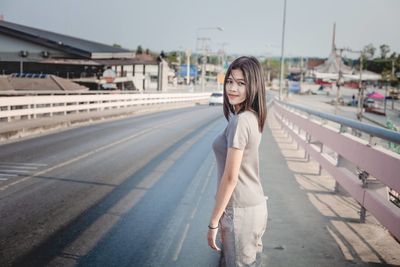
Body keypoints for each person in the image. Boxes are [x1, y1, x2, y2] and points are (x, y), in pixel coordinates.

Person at [208, 56, 268, 266]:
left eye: (241, 83)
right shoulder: (252, 116)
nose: (232, 88)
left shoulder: (241, 121)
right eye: (230, 81)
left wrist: (214, 222)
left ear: (253, 86)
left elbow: (231, 177)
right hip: (255, 207)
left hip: (239, 211)